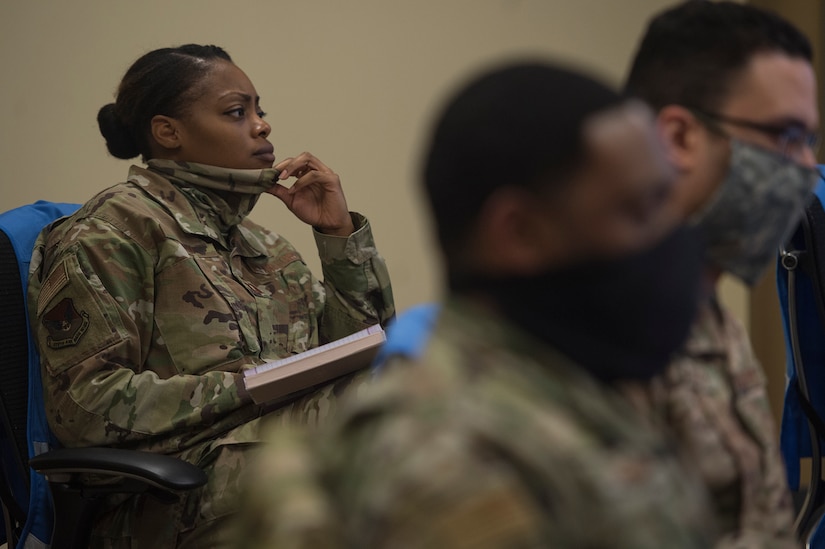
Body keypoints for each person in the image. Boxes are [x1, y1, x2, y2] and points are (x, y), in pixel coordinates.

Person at [233, 61, 717, 548]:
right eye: (638, 209)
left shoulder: (571, 388)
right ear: (520, 231)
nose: (670, 236)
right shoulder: (448, 461)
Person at [26, 44, 394, 548]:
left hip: (272, 464)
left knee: (406, 394)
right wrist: (248, 388)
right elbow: (85, 409)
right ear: (168, 132)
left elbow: (360, 355)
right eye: (237, 112)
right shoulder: (111, 232)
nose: (262, 126)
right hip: (167, 499)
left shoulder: (265, 246)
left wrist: (337, 236)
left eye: (260, 111)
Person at [622, 2, 821, 547]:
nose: (807, 169)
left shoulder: (704, 307)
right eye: (785, 137)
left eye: (810, 141)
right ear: (680, 137)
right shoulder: (593, 335)